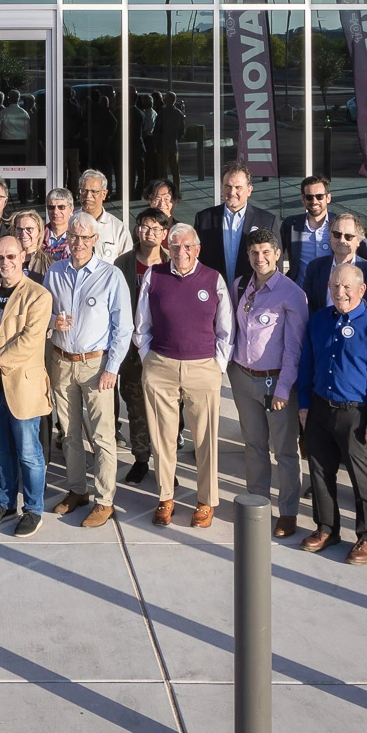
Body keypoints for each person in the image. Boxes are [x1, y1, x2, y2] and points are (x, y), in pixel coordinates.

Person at [135, 224, 234, 528]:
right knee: (162, 437)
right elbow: (141, 324)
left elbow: (225, 329)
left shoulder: (213, 279)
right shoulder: (155, 275)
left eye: (187, 246)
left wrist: (217, 366)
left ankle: (206, 501)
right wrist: (148, 359)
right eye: (175, 246)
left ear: (197, 249)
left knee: (205, 439)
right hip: (161, 366)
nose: (181, 252)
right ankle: (166, 497)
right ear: (168, 248)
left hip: (202, 368)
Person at [297, 264, 367, 564]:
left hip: (356, 415)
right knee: (319, 471)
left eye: (346, 287)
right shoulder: (318, 321)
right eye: (334, 286)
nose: (340, 292)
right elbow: (307, 365)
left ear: (361, 290)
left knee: (362, 478)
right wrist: (303, 405)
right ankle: (327, 528)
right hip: (318, 408)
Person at [45, 212, 133, 528]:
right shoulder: (54, 272)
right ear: (66, 238)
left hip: (97, 366)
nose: (78, 243)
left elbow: (124, 328)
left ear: (95, 240)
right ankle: (76, 490)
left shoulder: (111, 276)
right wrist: (52, 323)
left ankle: (104, 500)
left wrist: (112, 368)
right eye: (73, 236)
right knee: (68, 433)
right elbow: (42, 316)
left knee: (102, 435)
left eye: (85, 238)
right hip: (61, 362)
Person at [0, 235, 52, 536]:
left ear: (23, 257)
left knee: (28, 451)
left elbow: (30, 341)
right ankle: (6, 503)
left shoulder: (38, 295)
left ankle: (33, 509)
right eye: (0, 258)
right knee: (0, 450)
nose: (5, 263)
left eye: (11, 257)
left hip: (21, 385)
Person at [232, 227, 309, 537]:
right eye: (254, 253)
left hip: (276, 383)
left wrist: (283, 388)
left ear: (278, 255)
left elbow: (295, 347)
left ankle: (288, 511)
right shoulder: (240, 286)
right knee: (253, 446)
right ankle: (257, 504)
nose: (259, 258)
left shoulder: (291, 293)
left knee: (286, 451)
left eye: (266, 252)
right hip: (242, 378)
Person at [112, 208, 170, 487]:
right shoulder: (123, 264)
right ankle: (141, 459)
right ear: (137, 230)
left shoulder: (172, 261)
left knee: (168, 410)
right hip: (133, 350)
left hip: (165, 350)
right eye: (146, 227)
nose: (151, 233)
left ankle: (165, 464)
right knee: (136, 406)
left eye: (157, 229)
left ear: (165, 234)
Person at [193, 162, 277, 284]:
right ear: (221, 188)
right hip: (213, 292)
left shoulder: (267, 220)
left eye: (238, 187)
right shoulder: (204, 219)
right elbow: (198, 259)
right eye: (228, 186)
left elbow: (274, 263)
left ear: (249, 190)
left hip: (252, 294)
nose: (232, 192)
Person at [280, 175, 367, 283]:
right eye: (309, 197)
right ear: (303, 199)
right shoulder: (291, 225)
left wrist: (362, 282)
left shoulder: (342, 225)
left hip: (333, 294)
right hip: (300, 293)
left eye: (319, 196)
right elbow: (275, 254)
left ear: (328, 198)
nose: (314, 201)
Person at [302, 211, 367, 313]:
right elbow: (307, 306)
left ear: (358, 241)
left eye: (348, 236)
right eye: (337, 234)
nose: (342, 240)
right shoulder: (315, 267)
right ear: (330, 236)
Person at [75, 169, 132, 262]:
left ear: (104, 194)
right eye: (84, 191)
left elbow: (127, 264)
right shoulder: (69, 222)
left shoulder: (118, 228)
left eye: (94, 191)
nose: (88, 195)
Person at [10, 209, 51, 280]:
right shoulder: (3, 259)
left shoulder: (50, 263)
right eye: (19, 229)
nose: (23, 234)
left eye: (29, 229)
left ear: (40, 232)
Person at [41, 189, 75, 263]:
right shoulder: (38, 236)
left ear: (71, 209)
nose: (55, 212)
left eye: (61, 207)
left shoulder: (78, 237)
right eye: (51, 207)